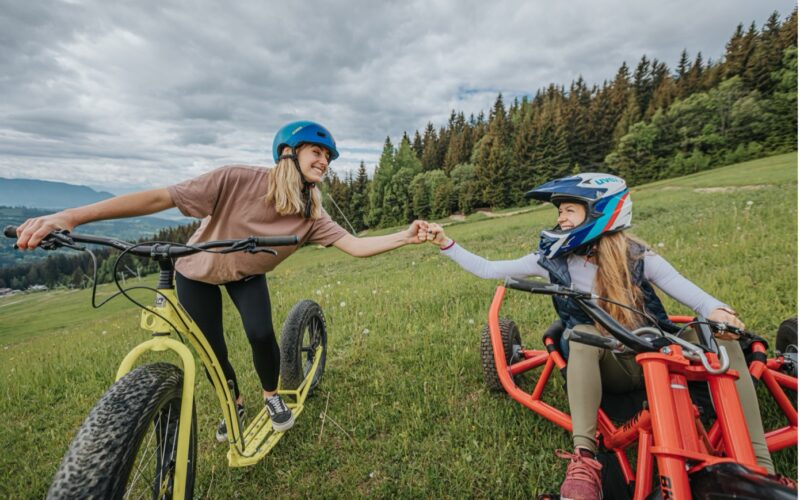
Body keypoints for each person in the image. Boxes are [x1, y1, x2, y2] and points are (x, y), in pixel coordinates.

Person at [16, 120, 429, 442]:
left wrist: (406, 237)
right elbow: (162, 198)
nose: (324, 160)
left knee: (261, 334)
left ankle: (270, 398)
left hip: (246, 275)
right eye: (317, 151)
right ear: (289, 153)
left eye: (328, 156)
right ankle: (233, 402)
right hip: (194, 271)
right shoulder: (236, 179)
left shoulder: (311, 216)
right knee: (213, 349)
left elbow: (355, 246)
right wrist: (70, 216)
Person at [422, 172, 780, 499]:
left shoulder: (638, 257)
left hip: (654, 355)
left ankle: (760, 468)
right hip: (605, 362)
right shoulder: (552, 260)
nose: (560, 219)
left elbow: (696, 297)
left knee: (720, 334)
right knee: (580, 333)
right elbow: (488, 269)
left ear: (599, 212)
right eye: (560, 211)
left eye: (569, 210)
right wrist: (445, 242)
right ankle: (584, 459)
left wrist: (719, 312)